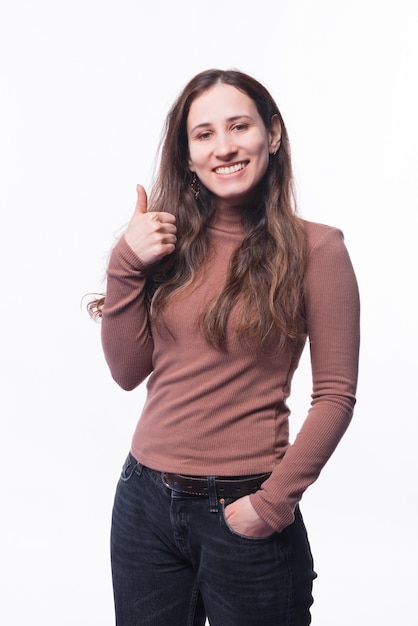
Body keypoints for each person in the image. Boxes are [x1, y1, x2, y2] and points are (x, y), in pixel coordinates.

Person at [88, 68, 360, 626]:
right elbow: (127, 372)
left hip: (247, 507)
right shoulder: (162, 243)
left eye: (239, 126)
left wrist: (273, 503)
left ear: (273, 134)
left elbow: (335, 396)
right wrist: (124, 262)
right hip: (143, 504)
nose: (225, 146)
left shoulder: (318, 249)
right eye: (204, 134)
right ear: (187, 156)